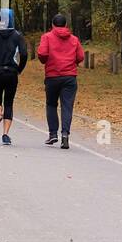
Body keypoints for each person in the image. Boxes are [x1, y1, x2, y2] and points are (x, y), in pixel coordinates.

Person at [36, 12, 84, 149]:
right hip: (69, 77)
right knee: (67, 106)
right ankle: (65, 135)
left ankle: (52, 134)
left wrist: (45, 61)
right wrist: (71, 61)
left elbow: (42, 54)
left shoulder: (47, 37)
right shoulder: (74, 39)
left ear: (52, 24)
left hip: (52, 76)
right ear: (66, 25)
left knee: (51, 104)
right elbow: (80, 56)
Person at [0, 8, 29, 145]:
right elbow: (24, 54)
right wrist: (20, 69)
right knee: (9, 102)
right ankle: (5, 135)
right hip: (12, 73)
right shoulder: (17, 35)